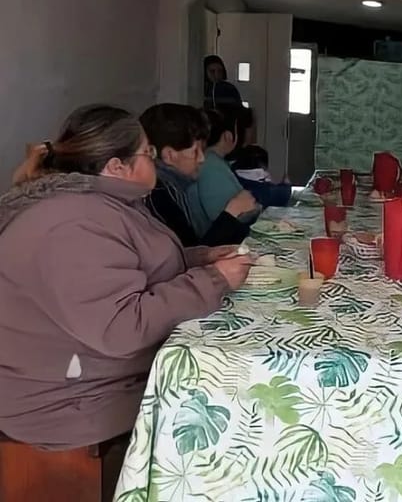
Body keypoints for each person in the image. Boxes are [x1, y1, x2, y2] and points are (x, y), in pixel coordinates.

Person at [0, 105, 253, 448]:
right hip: (66, 402)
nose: (154, 161)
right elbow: (120, 328)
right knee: (226, 405)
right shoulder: (72, 224)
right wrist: (214, 281)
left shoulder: (102, 204)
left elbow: (130, 267)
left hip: (93, 379)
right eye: (148, 153)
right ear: (117, 167)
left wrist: (200, 258)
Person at [140, 103, 256, 247]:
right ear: (169, 155)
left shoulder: (177, 186)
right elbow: (186, 257)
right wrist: (231, 213)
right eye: (195, 151)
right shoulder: (158, 194)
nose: (202, 159)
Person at [187, 108, 262, 237]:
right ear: (228, 136)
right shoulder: (211, 165)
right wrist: (257, 207)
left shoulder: (215, 162)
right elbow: (230, 216)